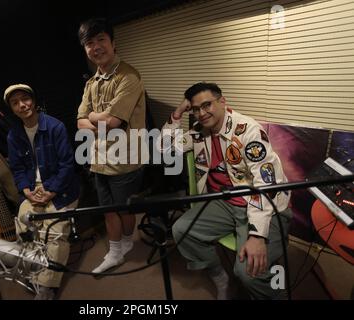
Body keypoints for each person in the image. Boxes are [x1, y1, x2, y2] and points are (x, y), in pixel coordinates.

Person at [165, 82, 292, 299]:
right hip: (224, 202)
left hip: (261, 205)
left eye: (207, 105)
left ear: (222, 101)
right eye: (196, 109)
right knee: (181, 231)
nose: (202, 113)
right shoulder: (198, 132)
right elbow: (165, 148)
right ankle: (219, 276)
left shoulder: (248, 130)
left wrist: (257, 236)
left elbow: (266, 185)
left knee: (248, 273)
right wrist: (177, 113)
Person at [76, 18, 146, 273]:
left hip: (125, 159)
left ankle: (125, 244)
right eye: (89, 43)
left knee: (123, 209)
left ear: (113, 43)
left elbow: (113, 121)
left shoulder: (129, 76)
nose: (96, 47)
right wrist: (99, 119)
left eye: (101, 40)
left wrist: (95, 116)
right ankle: (116, 252)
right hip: (99, 159)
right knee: (108, 210)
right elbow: (80, 122)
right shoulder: (91, 83)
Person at [5, 84, 80, 299]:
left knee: (54, 231)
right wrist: (26, 190)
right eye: (15, 102)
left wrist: (51, 191)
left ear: (34, 100)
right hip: (33, 188)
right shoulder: (14, 135)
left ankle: (47, 285)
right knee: (23, 223)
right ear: (12, 108)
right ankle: (34, 270)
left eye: (25, 99)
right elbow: (17, 169)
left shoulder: (55, 127)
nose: (22, 105)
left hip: (61, 188)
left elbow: (68, 165)